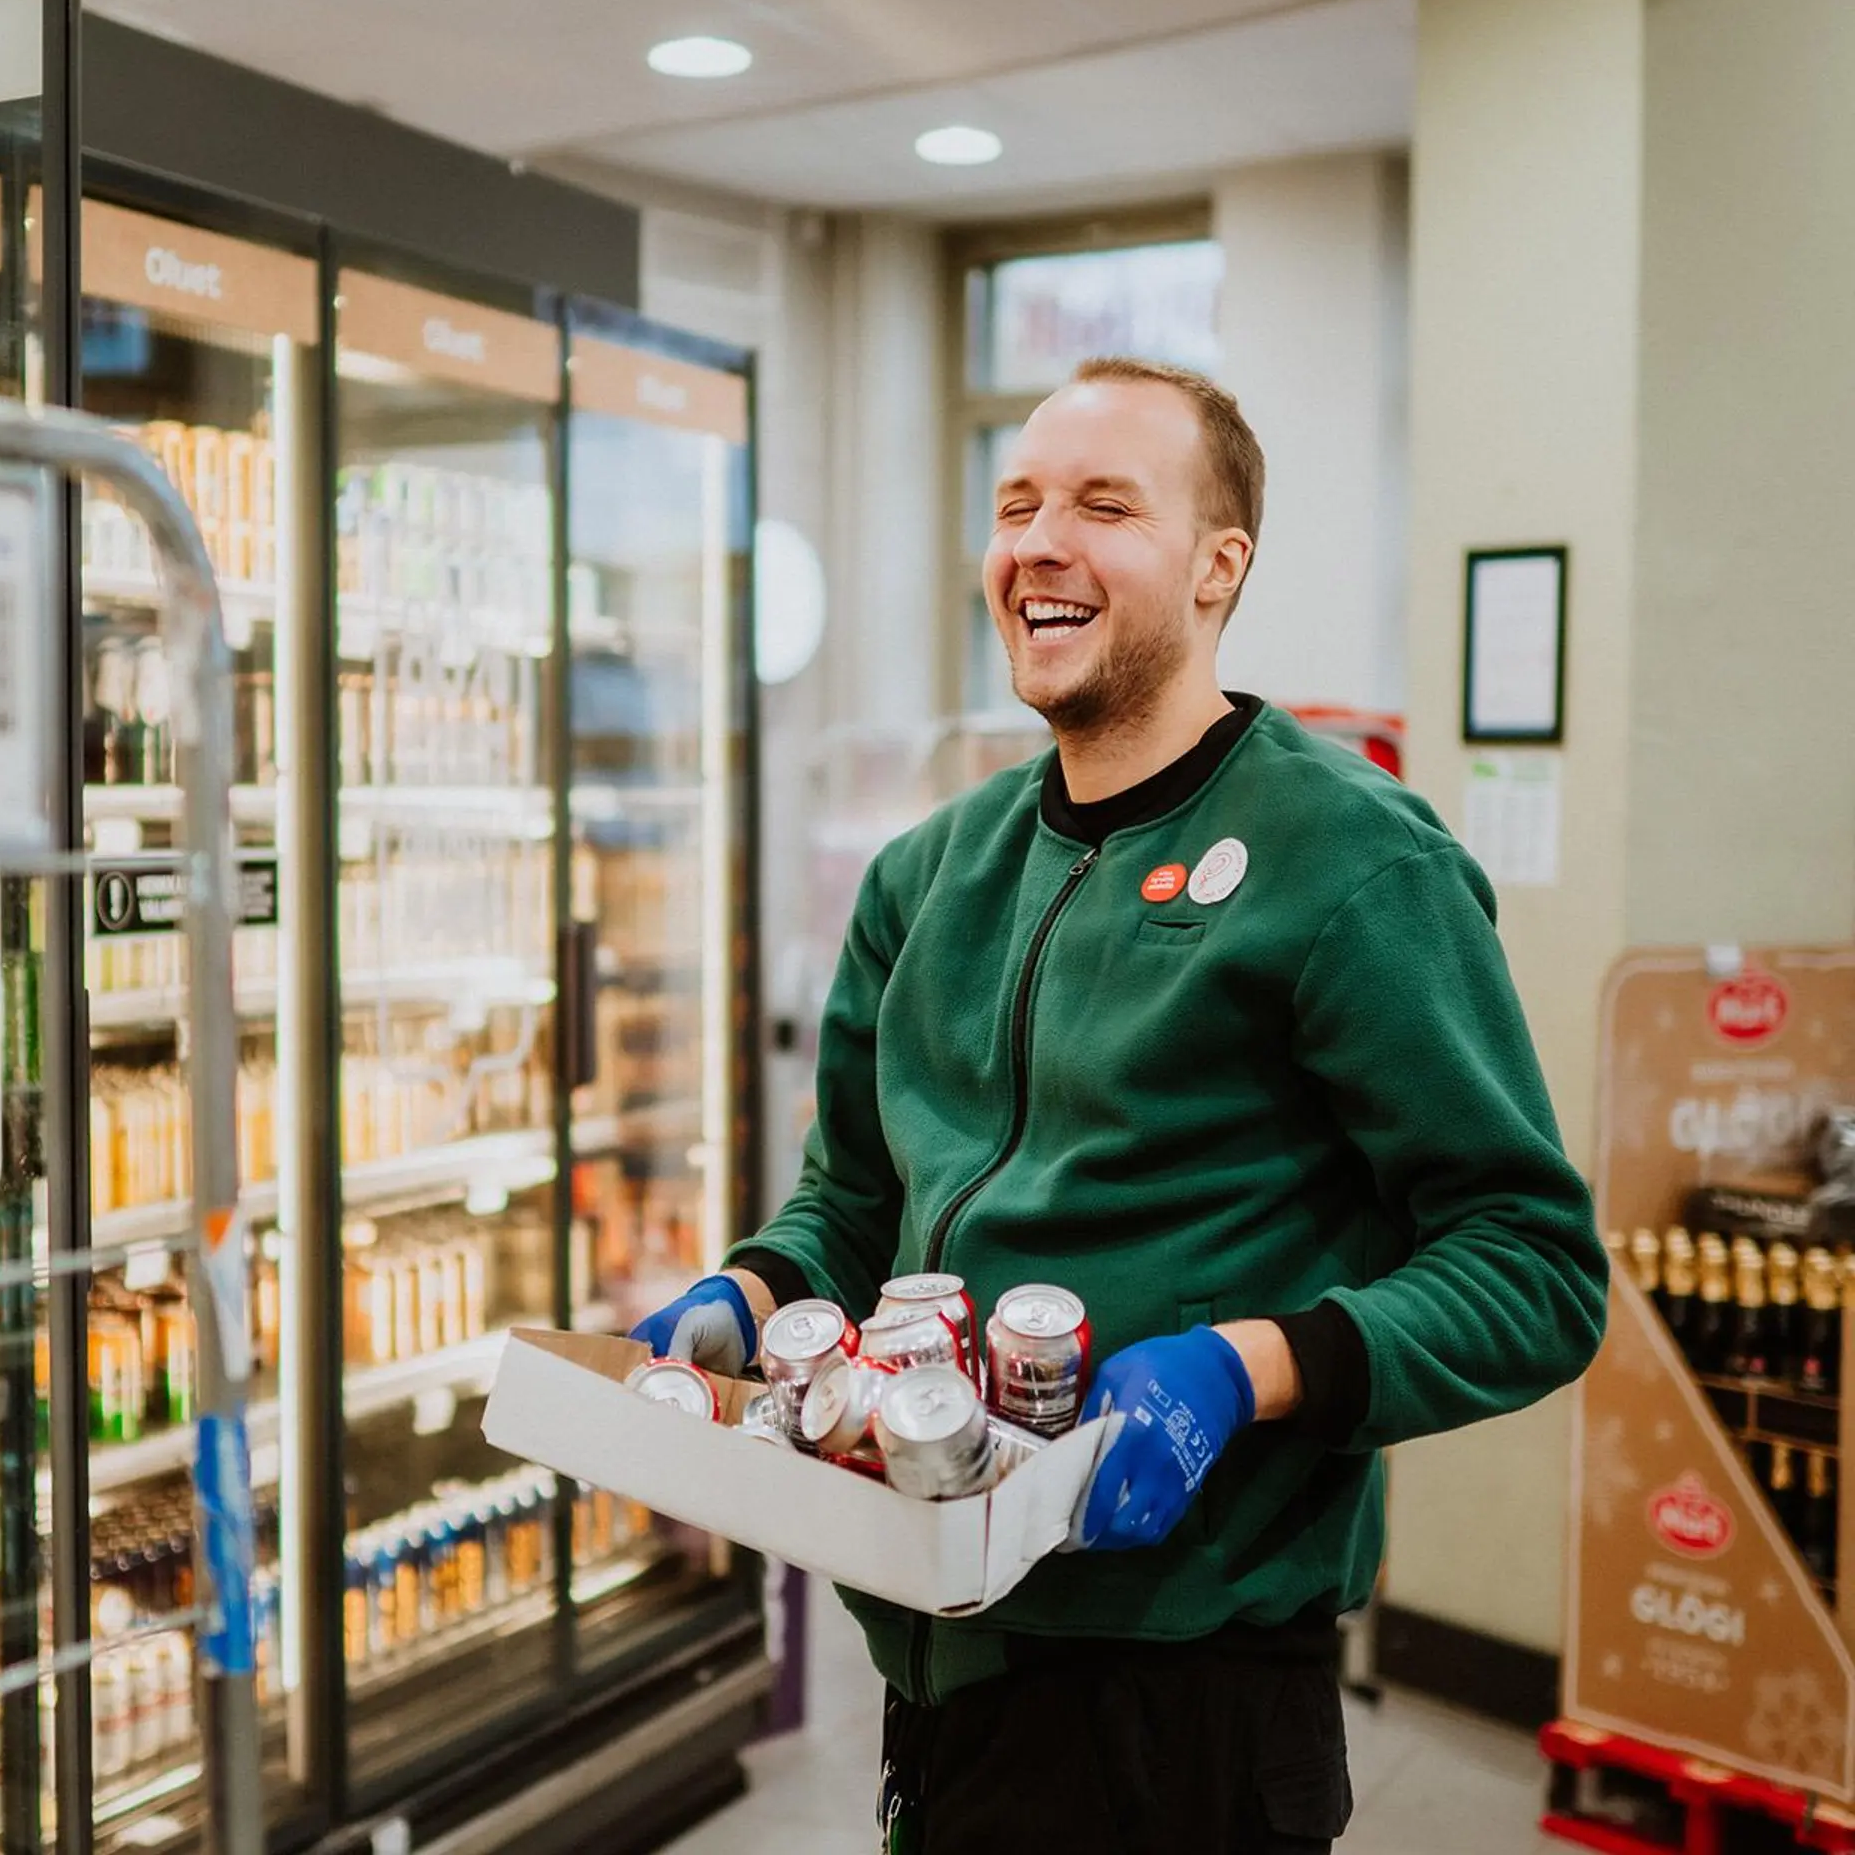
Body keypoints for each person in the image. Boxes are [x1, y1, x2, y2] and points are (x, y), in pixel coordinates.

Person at [631, 355, 1608, 1855]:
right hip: (938, 1646)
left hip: (1189, 1693)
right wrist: (752, 1288)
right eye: (1016, 503)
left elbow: (1533, 1267)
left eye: (1104, 505)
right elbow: (853, 1203)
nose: (1038, 542)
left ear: (1221, 566)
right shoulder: (927, 877)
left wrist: (1251, 1367)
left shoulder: (1352, 864)